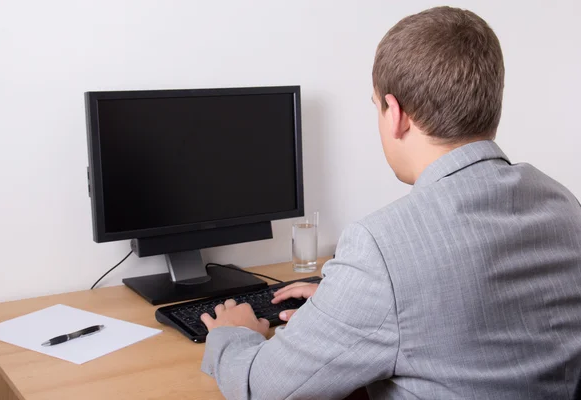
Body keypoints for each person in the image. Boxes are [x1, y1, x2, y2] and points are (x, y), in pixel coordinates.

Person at [200, 6, 581, 399]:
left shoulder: (382, 246)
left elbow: (261, 389)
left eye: (376, 107)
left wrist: (233, 334)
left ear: (395, 114)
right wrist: (351, 304)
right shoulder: (561, 203)